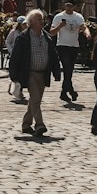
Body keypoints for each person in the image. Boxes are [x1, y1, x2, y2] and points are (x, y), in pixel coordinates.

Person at [8, 8, 60, 138]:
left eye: (42, 19)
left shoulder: (46, 37)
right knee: (36, 99)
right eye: (39, 19)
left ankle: (26, 124)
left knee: (34, 101)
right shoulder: (23, 38)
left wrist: (56, 71)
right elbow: (15, 57)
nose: (42, 21)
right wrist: (13, 74)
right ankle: (40, 125)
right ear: (31, 22)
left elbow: (53, 55)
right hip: (29, 73)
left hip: (43, 73)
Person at [49, 0, 88, 103]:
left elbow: (83, 26)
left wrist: (87, 33)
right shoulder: (59, 17)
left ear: (74, 7)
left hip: (74, 46)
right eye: (67, 5)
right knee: (67, 68)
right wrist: (60, 27)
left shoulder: (78, 16)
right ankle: (65, 92)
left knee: (69, 70)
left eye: (71, 6)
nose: (69, 8)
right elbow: (51, 32)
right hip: (62, 45)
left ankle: (69, 91)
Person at [5, 16, 28, 102]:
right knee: (15, 73)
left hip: (24, 55)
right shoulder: (14, 32)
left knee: (22, 74)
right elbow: (8, 41)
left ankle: (20, 91)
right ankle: (14, 88)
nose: (25, 25)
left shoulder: (27, 32)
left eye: (26, 24)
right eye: (23, 24)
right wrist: (11, 51)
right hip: (15, 55)